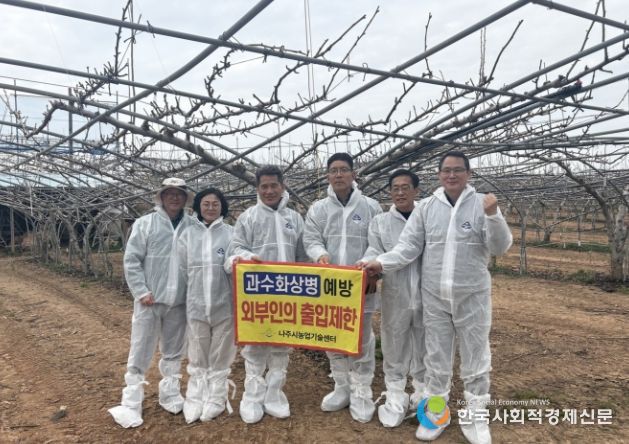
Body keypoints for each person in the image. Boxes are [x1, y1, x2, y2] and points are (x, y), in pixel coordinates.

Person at [362, 151, 512, 443]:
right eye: (446, 170)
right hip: (434, 297)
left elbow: (500, 247)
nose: (451, 175)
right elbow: (408, 246)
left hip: (472, 296)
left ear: (468, 173)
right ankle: (436, 414)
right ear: (439, 174)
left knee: (476, 357)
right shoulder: (428, 208)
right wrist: (380, 263)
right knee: (436, 359)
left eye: (457, 170)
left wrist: (494, 216)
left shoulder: (482, 204)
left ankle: (476, 417)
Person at [109, 177, 195, 428]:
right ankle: (131, 400)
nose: (174, 198)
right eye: (170, 193)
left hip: (179, 301)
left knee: (174, 349)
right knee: (141, 348)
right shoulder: (145, 223)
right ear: (162, 197)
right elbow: (132, 259)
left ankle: (170, 394)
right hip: (150, 299)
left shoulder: (193, 226)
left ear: (185, 198)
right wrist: (141, 291)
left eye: (179, 194)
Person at [303, 152, 382, 423]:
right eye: (333, 170)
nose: (338, 175)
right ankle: (341, 386)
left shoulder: (371, 207)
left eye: (343, 170)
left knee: (362, 336)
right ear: (328, 175)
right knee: (331, 334)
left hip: (361, 285)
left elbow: (377, 241)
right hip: (329, 284)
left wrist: (368, 265)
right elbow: (311, 239)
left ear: (353, 174)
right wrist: (319, 254)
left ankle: (361, 389)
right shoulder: (318, 209)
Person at [225, 165, 306, 424]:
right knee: (255, 345)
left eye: (273, 186)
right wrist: (248, 257)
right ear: (257, 189)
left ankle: (274, 395)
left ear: (282, 186)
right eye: (264, 186)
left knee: (282, 345)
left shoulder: (295, 218)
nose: (269, 191)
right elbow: (234, 251)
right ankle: (252, 396)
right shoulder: (248, 217)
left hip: (287, 294)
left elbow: (303, 257)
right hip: (257, 295)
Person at [360, 169, 426, 428]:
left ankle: (422, 393)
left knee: (426, 343)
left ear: (416, 191)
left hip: (427, 292)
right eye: (395, 188)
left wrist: (379, 263)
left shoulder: (427, 217)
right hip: (395, 292)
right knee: (393, 341)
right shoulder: (380, 222)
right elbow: (374, 250)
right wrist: (366, 264)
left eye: (405, 187)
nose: (400, 192)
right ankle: (396, 393)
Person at [177, 187, 236, 423]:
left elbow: (235, 262)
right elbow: (182, 269)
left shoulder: (231, 233)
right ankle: (195, 396)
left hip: (224, 304)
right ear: (198, 207)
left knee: (221, 351)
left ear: (222, 207)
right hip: (196, 303)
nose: (211, 208)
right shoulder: (188, 235)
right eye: (206, 204)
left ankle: (217, 396)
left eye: (215, 204)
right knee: (197, 351)